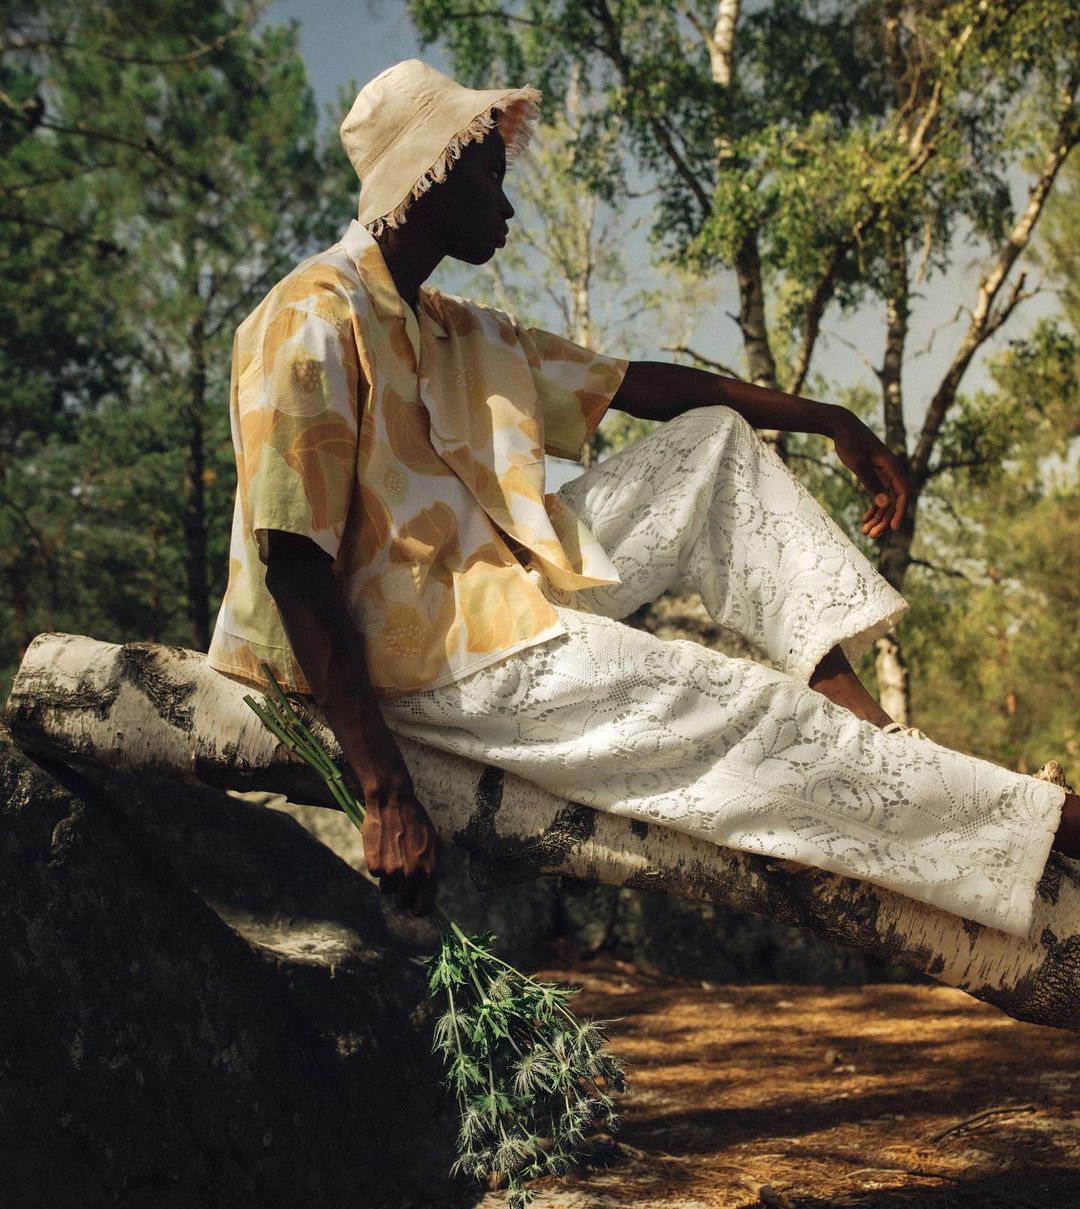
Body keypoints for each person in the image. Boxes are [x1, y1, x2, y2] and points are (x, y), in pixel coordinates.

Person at [207, 59, 1077, 939]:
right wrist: (384, 788)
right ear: (431, 174)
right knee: (740, 705)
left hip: (498, 589)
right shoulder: (311, 315)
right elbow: (294, 561)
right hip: (415, 659)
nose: (507, 208)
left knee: (711, 448)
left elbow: (637, 385)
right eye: (491, 179)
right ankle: (1040, 828)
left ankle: (878, 733)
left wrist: (829, 418)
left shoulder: (453, 326)